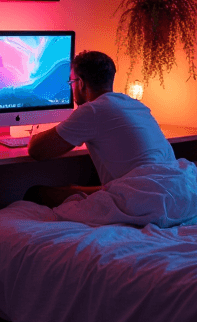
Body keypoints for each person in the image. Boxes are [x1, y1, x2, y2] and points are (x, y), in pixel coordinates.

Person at [25, 50, 176, 208]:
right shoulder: (136, 105)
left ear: (81, 83)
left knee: (36, 194)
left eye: (71, 83)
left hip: (144, 198)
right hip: (173, 190)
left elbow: (37, 151)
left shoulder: (92, 110)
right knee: (75, 188)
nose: (72, 88)